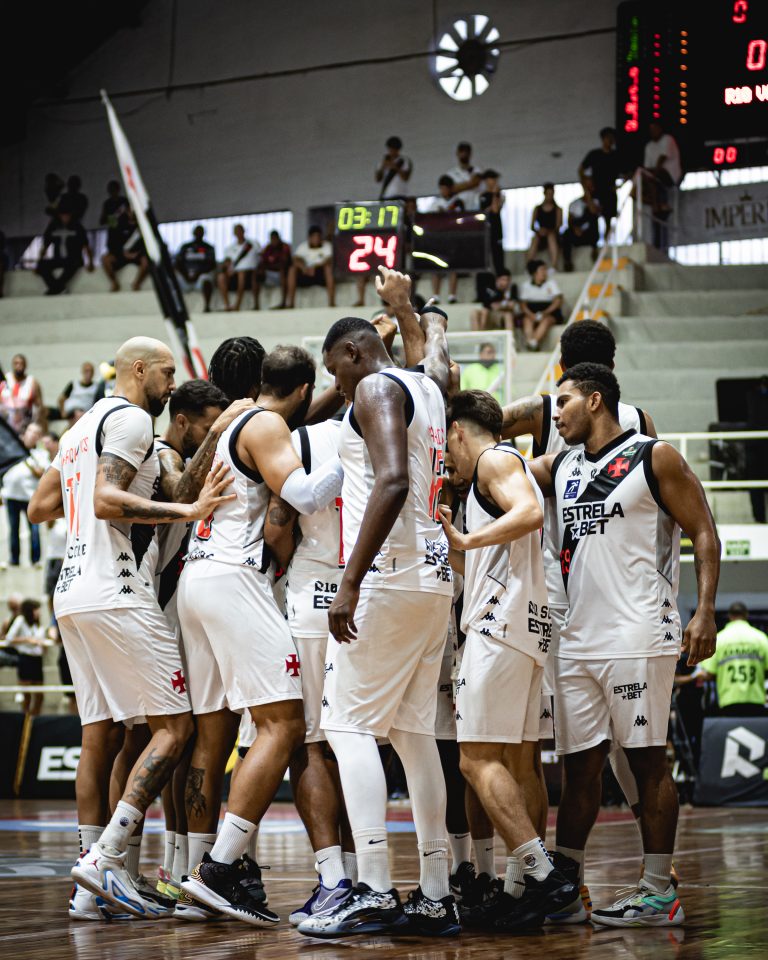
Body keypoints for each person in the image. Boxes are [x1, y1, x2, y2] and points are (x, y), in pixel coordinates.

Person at [28, 336, 234, 921]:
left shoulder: (75, 430)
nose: (171, 386)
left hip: (70, 591)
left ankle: (89, 887)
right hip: (117, 591)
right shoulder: (132, 421)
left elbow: (40, 508)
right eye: (167, 373)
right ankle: (106, 856)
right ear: (137, 368)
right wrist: (187, 513)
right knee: (175, 725)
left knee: (104, 734)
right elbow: (104, 500)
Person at [528, 362, 719, 927]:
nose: (553, 413)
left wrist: (704, 610)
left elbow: (704, 531)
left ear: (594, 400)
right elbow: (502, 466)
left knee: (646, 761)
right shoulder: (561, 465)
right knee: (580, 768)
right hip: (578, 637)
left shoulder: (652, 456)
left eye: (561, 402)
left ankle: (660, 891)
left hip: (639, 631)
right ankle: (568, 886)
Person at [297, 269, 458, 940]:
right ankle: (435, 891)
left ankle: (371, 887)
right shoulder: (430, 386)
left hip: (389, 576)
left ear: (356, 353)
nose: (338, 389)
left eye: (336, 372)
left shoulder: (373, 386)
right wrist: (411, 308)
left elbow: (391, 479)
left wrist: (353, 579)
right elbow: (435, 356)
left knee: (346, 727)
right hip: (432, 578)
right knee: (415, 736)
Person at [179, 345, 344, 925]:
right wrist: (351, 458)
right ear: (302, 390)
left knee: (235, 730)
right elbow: (301, 495)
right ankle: (220, 867)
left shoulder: (233, 424)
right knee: (285, 723)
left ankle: (214, 869)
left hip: (199, 578)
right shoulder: (268, 423)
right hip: (233, 578)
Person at [438, 390, 578, 930]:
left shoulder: (496, 459)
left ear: (457, 430)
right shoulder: (482, 482)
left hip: (499, 628)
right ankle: (523, 889)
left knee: (474, 760)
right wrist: (457, 542)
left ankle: (543, 875)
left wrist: (466, 540)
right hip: (525, 627)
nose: (444, 459)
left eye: (445, 445)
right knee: (521, 761)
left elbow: (529, 511)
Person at [262, 412, 354, 926]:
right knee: (370, 739)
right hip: (377, 591)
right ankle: (380, 879)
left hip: (315, 594)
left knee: (312, 742)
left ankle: (334, 878)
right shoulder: (405, 427)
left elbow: (277, 527)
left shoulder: (301, 438)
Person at [698, 603, 768, 717]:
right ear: (746, 615)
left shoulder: (719, 639)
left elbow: (708, 673)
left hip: (729, 701)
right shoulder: (761, 638)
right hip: (756, 699)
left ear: (730, 616)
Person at [1, 422, 46, 567]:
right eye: (30, 431)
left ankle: (35, 560)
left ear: (38, 437)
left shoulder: (40, 454)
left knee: (34, 530)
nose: (32, 434)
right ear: (25, 433)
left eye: (35, 432)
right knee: (13, 529)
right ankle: (14, 559)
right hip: (11, 495)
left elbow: (42, 473)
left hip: (30, 497)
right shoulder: (11, 449)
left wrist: (27, 460)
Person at [3, 598, 49, 716]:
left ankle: (35, 719)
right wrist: (28, 640)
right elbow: (8, 639)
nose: (39, 612)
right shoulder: (20, 620)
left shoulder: (38, 623)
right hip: (25, 659)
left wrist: (43, 645)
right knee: (26, 694)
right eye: (36, 609)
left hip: (37, 660)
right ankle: (26, 721)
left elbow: (41, 641)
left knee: (40, 695)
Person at [37, 202, 95, 295]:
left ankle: (55, 288)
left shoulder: (77, 227)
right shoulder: (53, 226)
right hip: (59, 258)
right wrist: (39, 261)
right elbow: (45, 246)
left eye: (67, 215)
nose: (65, 218)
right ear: (59, 215)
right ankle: (58, 287)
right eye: (63, 215)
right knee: (42, 265)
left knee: (73, 265)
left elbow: (86, 246)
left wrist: (91, 262)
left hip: (74, 259)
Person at [426, 176, 465, 304]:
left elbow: (461, 219)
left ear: (450, 189)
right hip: (438, 239)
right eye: (441, 188)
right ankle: (435, 295)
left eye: (445, 188)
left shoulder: (458, 202)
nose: (443, 191)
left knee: (452, 267)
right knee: (435, 267)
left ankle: (452, 295)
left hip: (453, 238)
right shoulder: (435, 203)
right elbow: (428, 220)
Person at [579, 128, 621, 232]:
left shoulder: (616, 156)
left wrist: (621, 185)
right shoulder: (594, 154)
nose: (610, 140)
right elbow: (581, 170)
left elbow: (628, 172)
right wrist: (586, 186)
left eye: (612, 138)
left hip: (609, 191)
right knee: (593, 216)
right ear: (603, 139)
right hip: (596, 190)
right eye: (608, 138)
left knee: (608, 219)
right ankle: (595, 243)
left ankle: (606, 244)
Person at [285, 226, 335, 309]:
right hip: (306, 274)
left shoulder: (327, 246)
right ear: (309, 238)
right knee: (292, 270)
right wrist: (303, 267)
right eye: (314, 237)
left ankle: (331, 303)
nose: (316, 239)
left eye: (318, 237)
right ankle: (291, 303)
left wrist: (315, 267)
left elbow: (329, 259)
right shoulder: (303, 246)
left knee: (328, 269)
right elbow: (295, 259)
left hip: (321, 274)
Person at [519, 260, 564, 351]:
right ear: (534, 272)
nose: (545, 272)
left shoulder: (551, 284)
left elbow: (557, 301)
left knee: (546, 321)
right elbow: (523, 305)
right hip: (531, 311)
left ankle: (533, 342)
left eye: (545, 270)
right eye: (542, 270)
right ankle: (531, 342)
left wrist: (545, 312)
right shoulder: (526, 286)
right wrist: (530, 314)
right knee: (527, 320)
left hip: (549, 311)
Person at [101, 208, 149, 292]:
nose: (132, 212)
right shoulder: (118, 223)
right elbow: (111, 243)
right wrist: (122, 253)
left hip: (137, 255)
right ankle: (115, 283)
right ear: (127, 211)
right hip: (121, 255)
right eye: (130, 210)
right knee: (105, 259)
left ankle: (137, 284)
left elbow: (148, 244)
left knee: (146, 261)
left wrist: (137, 253)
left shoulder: (144, 225)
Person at [217, 223, 258, 312]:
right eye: (236, 231)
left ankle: (237, 305)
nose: (239, 233)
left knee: (241, 274)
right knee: (221, 277)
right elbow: (227, 261)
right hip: (234, 274)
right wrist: (227, 268)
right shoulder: (230, 248)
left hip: (249, 274)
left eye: (240, 230)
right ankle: (227, 305)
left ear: (244, 231)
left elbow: (259, 257)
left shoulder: (253, 244)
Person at [174, 226, 216, 312]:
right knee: (173, 281)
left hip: (200, 277)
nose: (198, 234)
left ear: (203, 234)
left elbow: (211, 264)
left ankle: (207, 306)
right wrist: (186, 275)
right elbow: (178, 263)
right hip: (185, 277)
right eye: (197, 232)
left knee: (207, 280)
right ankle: (176, 308)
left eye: (200, 232)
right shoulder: (185, 247)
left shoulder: (208, 247)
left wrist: (198, 274)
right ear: (193, 233)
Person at [0, 353, 44, 434]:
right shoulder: (4, 381)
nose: (19, 366)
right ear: (12, 365)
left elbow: (39, 407)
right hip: (5, 425)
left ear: (26, 365)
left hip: (24, 426)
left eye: (21, 363)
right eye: (16, 363)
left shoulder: (32, 382)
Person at [561, 190, 600, 272]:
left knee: (594, 221)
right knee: (566, 234)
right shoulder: (574, 204)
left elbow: (594, 212)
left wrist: (589, 200)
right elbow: (569, 221)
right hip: (576, 235)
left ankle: (594, 249)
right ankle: (567, 261)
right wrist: (575, 229)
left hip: (589, 236)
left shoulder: (595, 203)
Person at [526, 184, 562, 270]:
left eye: (551, 193)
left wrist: (548, 231)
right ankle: (529, 266)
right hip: (540, 235)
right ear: (544, 194)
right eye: (548, 193)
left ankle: (554, 266)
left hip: (553, 235)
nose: (550, 196)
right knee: (535, 239)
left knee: (551, 237)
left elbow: (558, 226)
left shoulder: (558, 209)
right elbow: (532, 226)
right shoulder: (537, 209)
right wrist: (540, 231)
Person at [253, 230, 292, 309]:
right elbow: (262, 262)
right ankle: (256, 304)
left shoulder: (285, 247)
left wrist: (271, 266)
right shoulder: (267, 248)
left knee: (282, 271)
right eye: (272, 239)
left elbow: (284, 263)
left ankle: (283, 302)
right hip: (269, 274)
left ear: (279, 238)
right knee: (255, 274)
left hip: (282, 275)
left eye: (275, 239)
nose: (273, 241)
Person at [479, 169, 505, 275]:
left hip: (497, 229)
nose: (494, 181)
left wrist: (496, 195)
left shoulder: (500, 195)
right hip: (486, 230)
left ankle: (500, 277)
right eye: (492, 179)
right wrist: (494, 195)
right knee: (486, 257)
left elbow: (496, 208)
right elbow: (491, 210)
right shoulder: (483, 196)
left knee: (498, 257)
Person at [446, 141, 483, 210]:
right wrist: (470, 184)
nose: (464, 154)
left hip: (475, 207)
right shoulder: (451, 174)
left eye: (466, 151)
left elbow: (475, 182)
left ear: (470, 154)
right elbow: (450, 190)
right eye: (462, 151)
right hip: (458, 208)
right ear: (457, 153)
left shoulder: (477, 170)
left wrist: (458, 187)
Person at [375, 136, 413, 200]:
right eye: (390, 149)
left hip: (400, 194)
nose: (392, 151)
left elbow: (405, 178)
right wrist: (382, 167)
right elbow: (378, 179)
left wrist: (395, 167)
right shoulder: (383, 161)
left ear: (398, 149)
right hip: (386, 195)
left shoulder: (404, 160)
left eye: (394, 149)